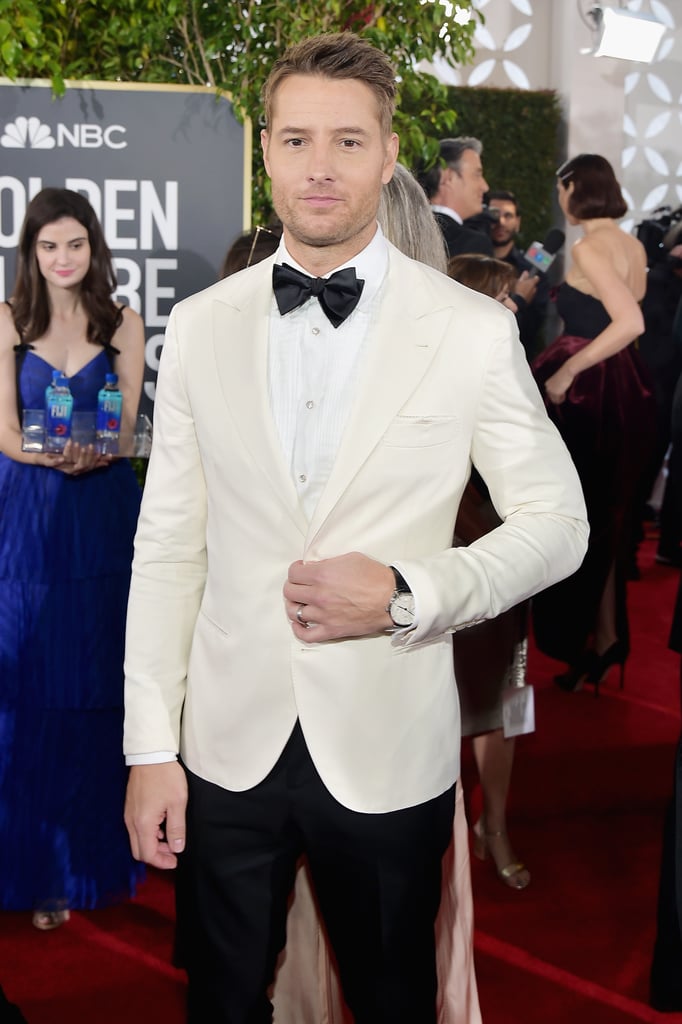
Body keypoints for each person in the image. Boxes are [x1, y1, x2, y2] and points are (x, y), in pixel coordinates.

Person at [123, 33, 588, 1024]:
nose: (319, 168)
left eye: (347, 140)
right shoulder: (202, 324)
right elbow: (167, 547)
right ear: (266, 149)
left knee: (389, 1002)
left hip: (386, 744)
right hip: (223, 746)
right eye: (295, 140)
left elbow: (559, 522)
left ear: (387, 155)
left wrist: (411, 591)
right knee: (219, 999)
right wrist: (149, 747)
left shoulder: (466, 327)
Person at [0, 187, 145, 929]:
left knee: (95, 678)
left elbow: (127, 426)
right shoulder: (7, 322)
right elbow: (1, 431)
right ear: (30, 252)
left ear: (95, 249)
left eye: (75, 245)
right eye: (48, 246)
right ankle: (30, 862)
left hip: (102, 510)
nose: (62, 259)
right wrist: (47, 455)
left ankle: (87, 856)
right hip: (26, 512)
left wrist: (96, 452)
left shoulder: (123, 322)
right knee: (24, 681)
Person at [532, 154, 656, 692]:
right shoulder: (632, 246)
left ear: (574, 188)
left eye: (562, 187)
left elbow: (630, 320)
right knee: (607, 517)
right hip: (625, 386)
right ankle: (604, 640)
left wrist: (568, 372)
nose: (560, 198)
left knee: (576, 515)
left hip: (590, 391)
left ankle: (582, 637)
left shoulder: (587, 246)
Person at [447, 253, 531, 891]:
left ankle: (494, 825)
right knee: (447, 705)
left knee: (506, 702)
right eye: (501, 297)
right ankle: (444, 832)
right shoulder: (436, 376)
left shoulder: (517, 374)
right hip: (450, 556)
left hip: (513, 555)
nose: (513, 309)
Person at [487, 189, 549, 360]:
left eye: (508, 216)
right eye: (494, 214)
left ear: (518, 222)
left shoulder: (531, 270)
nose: (500, 222)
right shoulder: (471, 265)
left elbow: (533, 326)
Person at [418, 137, 495, 258]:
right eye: (477, 175)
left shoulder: (401, 230)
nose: (485, 187)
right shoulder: (474, 245)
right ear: (448, 177)